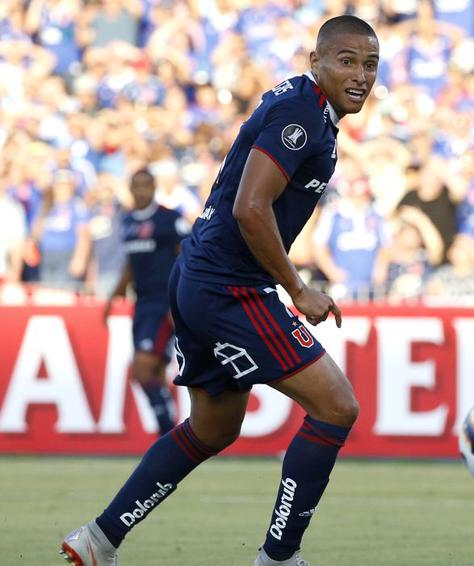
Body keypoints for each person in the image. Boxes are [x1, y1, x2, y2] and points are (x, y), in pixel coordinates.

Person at [61, 15, 380, 566]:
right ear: (317, 62)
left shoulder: (309, 110)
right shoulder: (300, 115)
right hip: (230, 287)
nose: (360, 75)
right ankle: (279, 558)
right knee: (336, 407)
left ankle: (98, 538)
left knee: (213, 426)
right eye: (346, 61)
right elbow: (250, 208)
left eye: (370, 64)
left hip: (200, 277)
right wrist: (298, 288)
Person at [103, 168, 189, 435]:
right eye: (136, 186)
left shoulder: (169, 219)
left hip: (164, 303)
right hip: (142, 304)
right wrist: (112, 298)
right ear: (130, 189)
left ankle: (168, 433)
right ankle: (171, 436)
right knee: (155, 371)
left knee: (141, 370)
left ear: (154, 188)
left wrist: (179, 301)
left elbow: (187, 259)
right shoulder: (127, 221)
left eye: (146, 186)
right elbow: (132, 263)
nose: (141, 191)